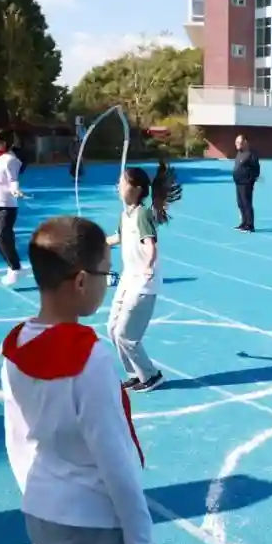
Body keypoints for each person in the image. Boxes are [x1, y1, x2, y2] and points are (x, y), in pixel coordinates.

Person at [1, 215, 155, 544]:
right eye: (107, 274)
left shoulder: (15, 346)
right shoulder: (89, 358)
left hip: (42, 510)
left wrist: (38, 494)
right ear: (82, 281)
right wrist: (140, 538)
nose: (109, 283)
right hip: (92, 522)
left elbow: (16, 437)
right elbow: (114, 456)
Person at [106, 161, 182, 393]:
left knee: (126, 335)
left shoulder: (142, 215)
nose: (118, 186)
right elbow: (118, 238)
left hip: (143, 282)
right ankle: (135, 373)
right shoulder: (124, 215)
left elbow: (151, 246)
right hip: (128, 279)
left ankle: (151, 375)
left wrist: (148, 266)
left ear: (137, 189)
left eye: (122, 183)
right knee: (112, 329)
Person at [0, 129, 26, 285]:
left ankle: (16, 268)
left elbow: (13, 179)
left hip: (7, 206)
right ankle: (12, 266)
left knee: (3, 237)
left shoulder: (10, 159)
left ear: (3, 142)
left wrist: (15, 190)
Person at [232, 134, 260, 232]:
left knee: (247, 203)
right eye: (236, 142)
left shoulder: (250, 154)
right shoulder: (239, 153)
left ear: (245, 143)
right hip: (238, 182)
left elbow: (256, 169)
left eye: (239, 142)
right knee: (240, 203)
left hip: (246, 183)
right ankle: (244, 222)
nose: (237, 144)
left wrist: (250, 180)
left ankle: (250, 225)